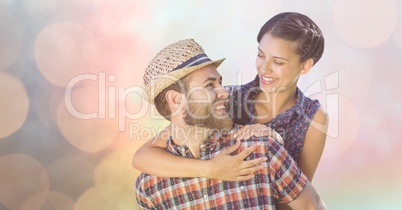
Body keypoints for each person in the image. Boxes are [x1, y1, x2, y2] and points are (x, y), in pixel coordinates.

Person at [133, 12, 328, 186]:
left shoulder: (313, 117)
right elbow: (143, 157)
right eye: (261, 55)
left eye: (277, 62)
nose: (264, 68)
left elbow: (300, 192)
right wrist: (210, 169)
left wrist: (274, 141)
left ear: (305, 66)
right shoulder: (227, 99)